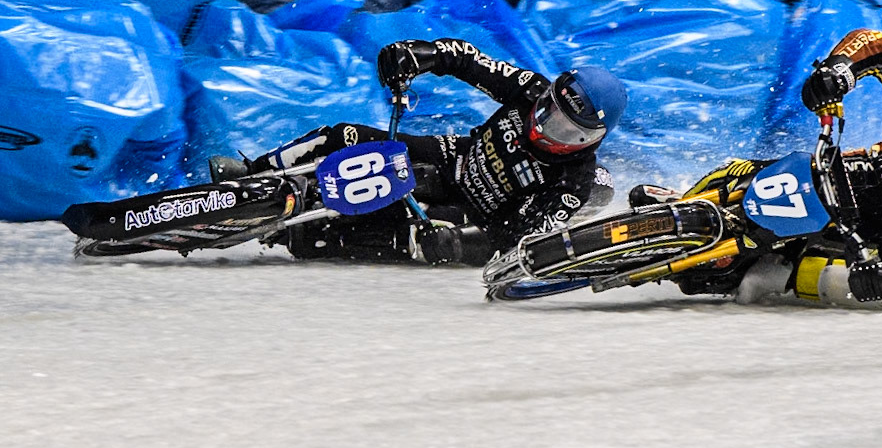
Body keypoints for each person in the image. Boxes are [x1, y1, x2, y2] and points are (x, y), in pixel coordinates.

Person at [641, 29, 882, 308]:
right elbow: (879, 47)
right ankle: (687, 204)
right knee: (771, 176)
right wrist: (839, 70)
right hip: (881, 177)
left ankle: (775, 277)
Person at [212, 39, 627, 265]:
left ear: (589, 139)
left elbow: (521, 244)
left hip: (469, 216)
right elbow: (470, 61)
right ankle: (255, 172)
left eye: (562, 128)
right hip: (452, 158)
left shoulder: (573, 180)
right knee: (343, 135)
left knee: (399, 235)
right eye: (548, 109)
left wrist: (461, 246)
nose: (542, 125)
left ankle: (291, 233)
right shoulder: (529, 89)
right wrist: (421, 55)